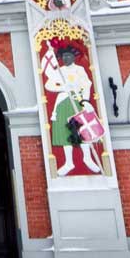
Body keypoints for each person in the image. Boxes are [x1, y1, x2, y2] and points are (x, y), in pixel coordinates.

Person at [43, 42, 103, 176]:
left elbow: (87, 84)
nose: (66, 58)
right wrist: (62, 88)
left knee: (83, 131)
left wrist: (85, 101)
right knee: (65, 133)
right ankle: (69, 162)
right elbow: (48, 85)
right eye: (64, 56)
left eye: (68, 56)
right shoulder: (60, 71)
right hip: (63, 103)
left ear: (74, 57)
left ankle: (87, 158)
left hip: (77, 101)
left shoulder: (79, 70)